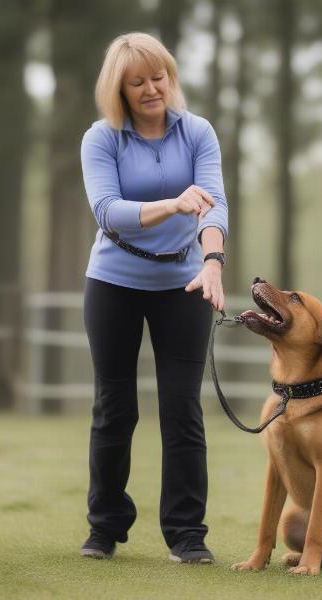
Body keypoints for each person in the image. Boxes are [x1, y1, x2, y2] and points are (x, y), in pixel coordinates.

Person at [79, 32, 227, 564]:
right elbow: (108, 210)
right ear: (118, 89)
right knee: (114, 409)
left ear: (171, 76)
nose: (150, 89)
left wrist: (212, 263)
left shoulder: (198, 133)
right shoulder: (102, 138)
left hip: (183, 285)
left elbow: (213, 205)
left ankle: (187, 535)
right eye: (136, 82)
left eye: (158, 77)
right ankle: (105, 528)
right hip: (113, 284)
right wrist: (171, 204)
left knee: (182, 409)